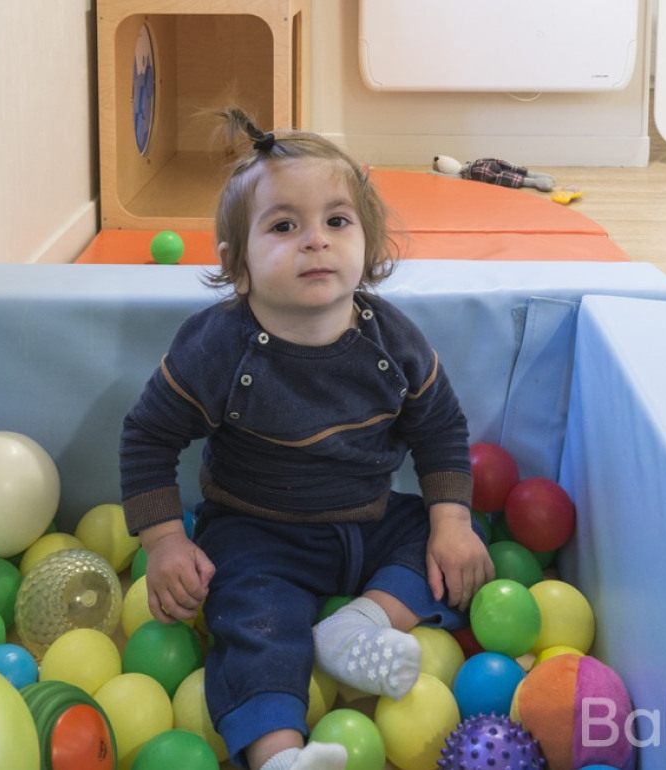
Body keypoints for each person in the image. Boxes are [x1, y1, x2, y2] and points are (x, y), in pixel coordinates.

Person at [120, 108, 493, 770]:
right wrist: (166, 540)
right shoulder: (218, 347)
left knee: (454, 543)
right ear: (238, 265)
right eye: (285, 225)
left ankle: (359, 628)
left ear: (368, 244)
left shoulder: (392, 340)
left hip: (371, 522)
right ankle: (278, 755)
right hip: (257, 532)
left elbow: (439, 427)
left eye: (337, 221)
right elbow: (148, 436)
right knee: (255, 623)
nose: (315, 241)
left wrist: (450, 518)